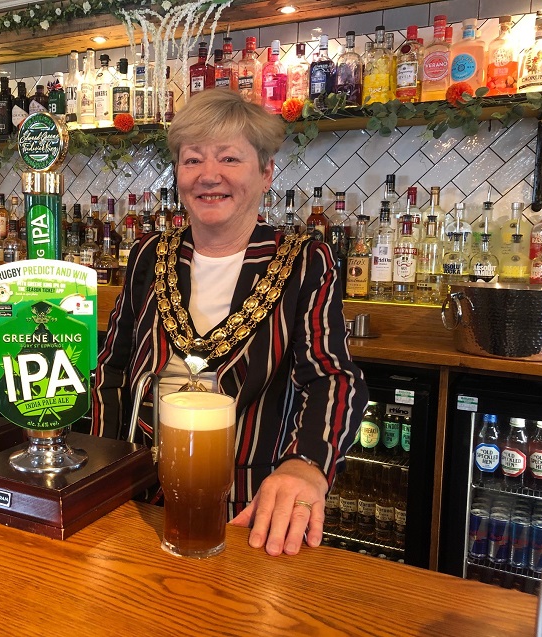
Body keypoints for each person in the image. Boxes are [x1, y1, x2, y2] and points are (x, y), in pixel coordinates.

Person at [92, 89, 368, 556]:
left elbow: (333, 378)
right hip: (134, 501)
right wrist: (99, 471)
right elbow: (112, 372)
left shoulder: (303, 260)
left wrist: (308, 465)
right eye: (192, 159)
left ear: (265, 173)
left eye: (229, 159)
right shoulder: (147, 255)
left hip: (249, 513)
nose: (209, 175)